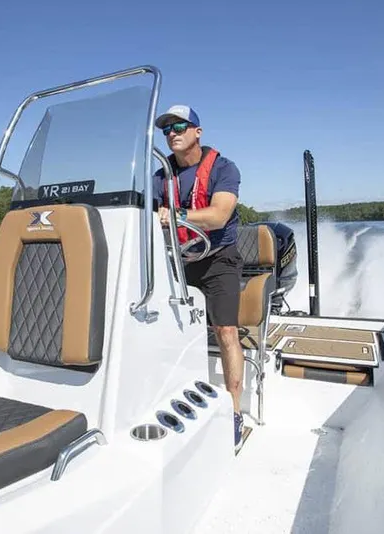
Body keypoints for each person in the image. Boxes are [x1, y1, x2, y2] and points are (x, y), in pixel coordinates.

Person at [152, 104, 246, 449]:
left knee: (225, 330)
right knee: (164, 326)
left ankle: (234, 411)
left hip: (219, 257)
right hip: (179, 261)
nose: (172, 133)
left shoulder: (224, 168)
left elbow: (220, 215)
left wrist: (173, 214)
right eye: (166, 129)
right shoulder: (161, 175)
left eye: (179, 126)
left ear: (198, 132)